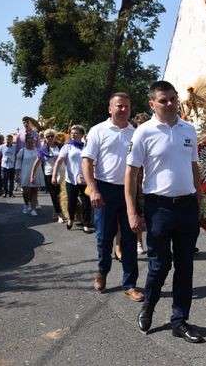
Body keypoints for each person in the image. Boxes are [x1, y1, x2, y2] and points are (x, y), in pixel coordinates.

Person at [125, 81, 205, 343]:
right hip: (158, 207)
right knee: (160, 265)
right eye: (163, 100)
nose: (170, 104)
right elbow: (131, 174)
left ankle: (179, 321)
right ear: (152, 104)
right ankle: (148, 306)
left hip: (186, 206)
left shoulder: (188, 130)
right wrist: (132, 212)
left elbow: (194, 166)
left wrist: (200, 199)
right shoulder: (143, 132)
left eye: (173, 98)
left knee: (185, 265)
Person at [82, 92, 143, 303]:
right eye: (119, 106)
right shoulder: (98, 130)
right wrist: (94, 189)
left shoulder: (136, 133)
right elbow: (87, 162)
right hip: (105, 190)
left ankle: (130, 284)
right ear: (110, 108)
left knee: (129, 237)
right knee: (104, 237)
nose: (123, 109)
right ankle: (102, 272)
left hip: (129, 191)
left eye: (126, 106)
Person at [114, 111, 151, 261]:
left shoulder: (150, 135)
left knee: (142, 215)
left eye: (143, 124)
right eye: (138, 125)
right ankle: (120, 246)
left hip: (144, 182)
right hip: (129, 181)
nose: (140, 127)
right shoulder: (132, 135)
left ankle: (139, 242)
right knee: (126, 215)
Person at [52, 125, 92, 232]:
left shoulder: (86, 146)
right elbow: (59, 161)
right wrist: (54, 175)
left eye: (76, 133)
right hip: (71, 179)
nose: (73, 135)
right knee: (71, 202)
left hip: (85, 179)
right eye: (72, 133)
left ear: (82, 135)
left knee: (86, 202)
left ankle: (86, 223)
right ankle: (71, 218)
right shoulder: (67, 147)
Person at [32, 129, 65, 223]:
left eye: (51, 136)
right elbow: (37, 162)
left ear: (55, 137)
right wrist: (32, 175)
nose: (50, 138)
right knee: (54, 195)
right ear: (45, 138)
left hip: (62, 173)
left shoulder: (61, 146)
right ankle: (59, 214)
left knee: (61, 194)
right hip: (49, 173)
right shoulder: (43, 148)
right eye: (48, 136)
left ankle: (57, 211)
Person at [15, 134, 45, 216]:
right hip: (25, 173)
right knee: (26, 191)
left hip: (36, 172)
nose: (31, 144)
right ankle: (26, 204)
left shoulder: (38, 150)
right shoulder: (22, 151)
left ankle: (33, 209)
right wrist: (17, 175)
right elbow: (18, 163)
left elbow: (41, 162)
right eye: (29, 142)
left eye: (33, 142)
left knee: (34, 190)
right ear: (26, 142)